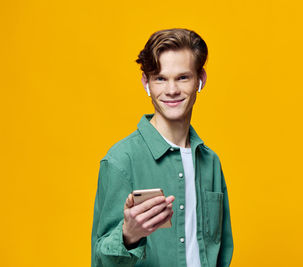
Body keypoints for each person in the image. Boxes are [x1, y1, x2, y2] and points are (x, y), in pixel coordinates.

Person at [91, 28, 233, 267]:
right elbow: (100, 260)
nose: (171, 90)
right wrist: (128, 235)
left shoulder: (211, 162)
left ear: (201, 79)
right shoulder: (120, 160)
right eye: (160, 78)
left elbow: (222, 249)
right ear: (146, 83)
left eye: (183, 77)